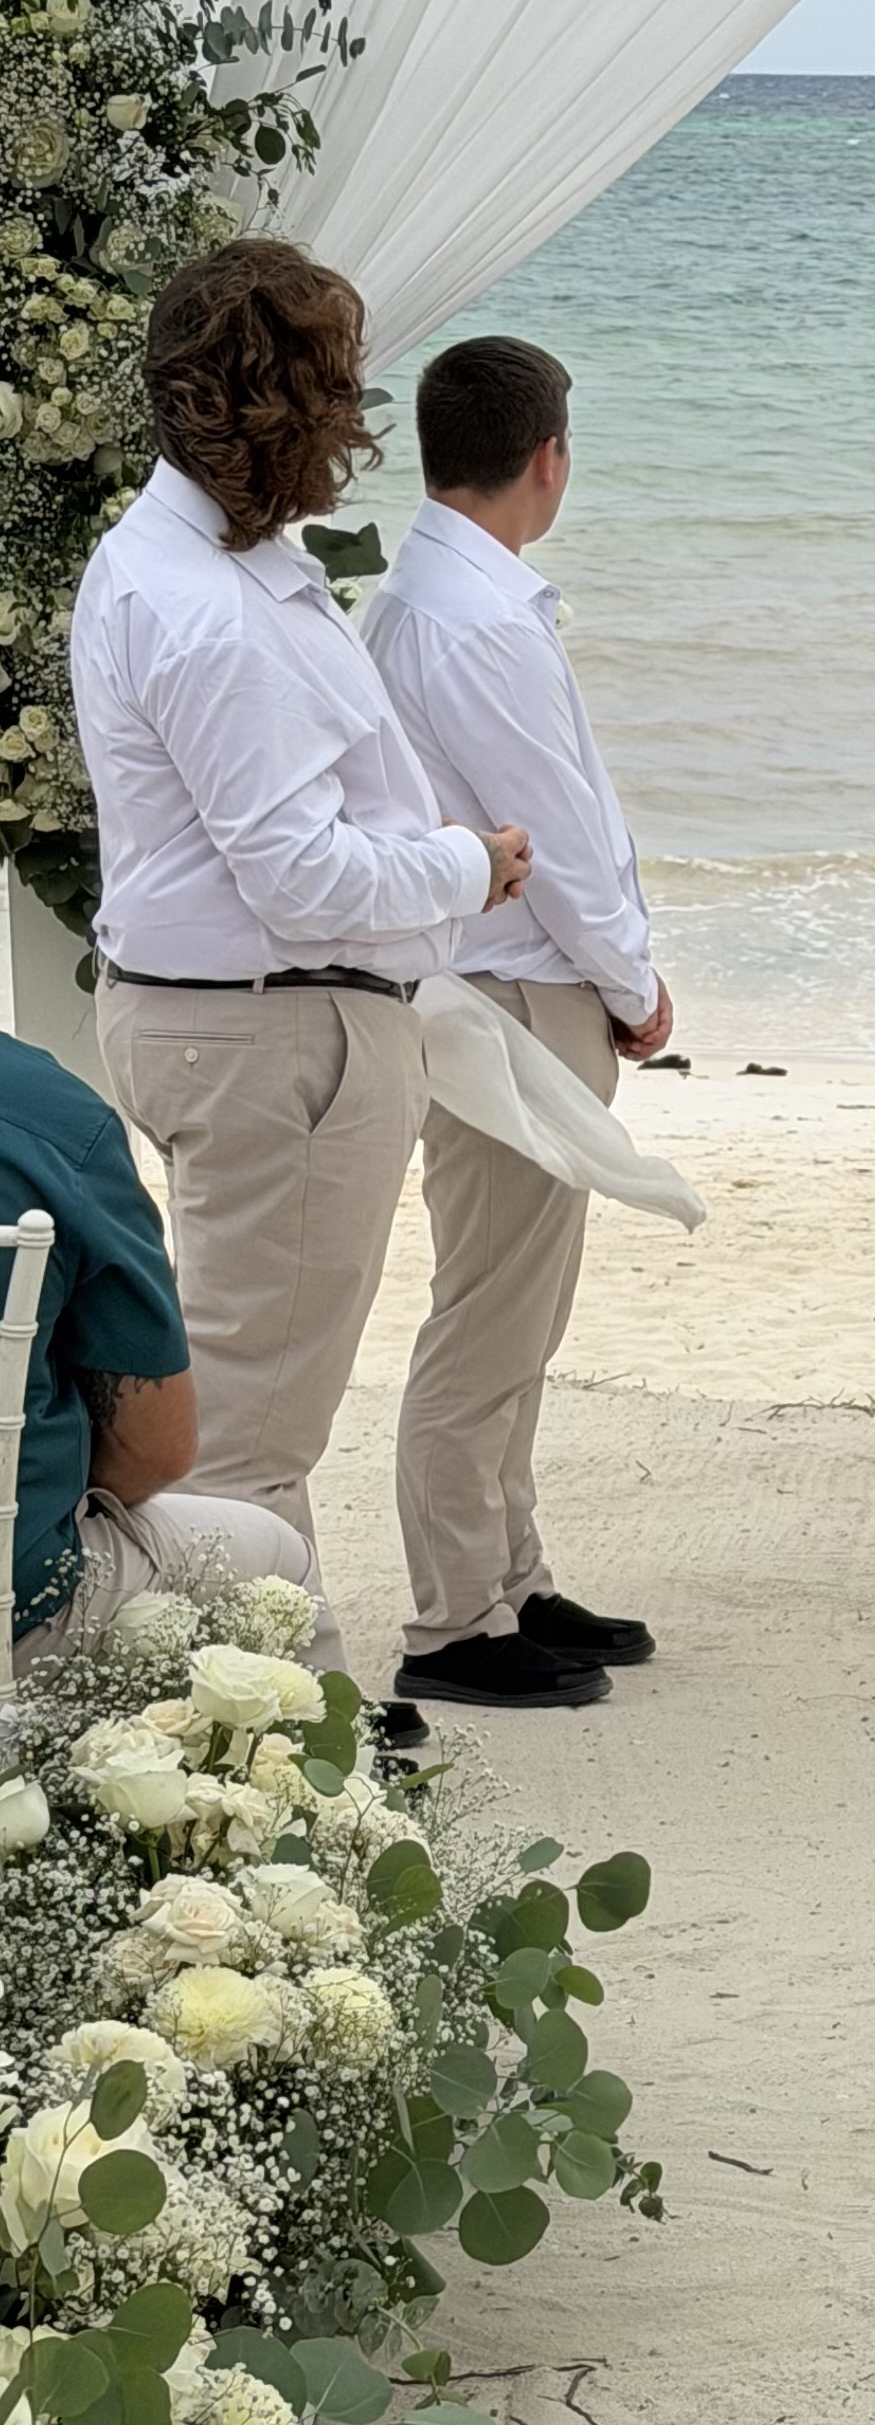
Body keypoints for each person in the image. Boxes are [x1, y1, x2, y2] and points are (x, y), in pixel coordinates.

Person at [68, 239, 529, 1688]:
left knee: (264, 1393)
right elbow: (300, 874)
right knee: (257, 1421)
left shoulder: (207, 560)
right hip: (275, 1033)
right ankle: (277, 1731)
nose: (358, 424)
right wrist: (469, 865)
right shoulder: (205, 608)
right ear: (286, 410)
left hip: (244, 1022)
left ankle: (292, 1683)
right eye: (340, 393)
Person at [364, 336, 670, 1713]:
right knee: (491, 1305)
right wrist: (634, 982)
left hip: (499, 971)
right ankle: (451, 1618)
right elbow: (559, 832)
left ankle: (512, 1573)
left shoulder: (443, 591)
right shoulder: (471, 616)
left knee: (522, 1304)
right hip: (514, 980)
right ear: (550, 455)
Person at [2, 1030, 320, 1654]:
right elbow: (157, 1447)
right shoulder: (45, 1110)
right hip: (16, 1608)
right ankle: (327, 1749)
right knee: (282, 1561)